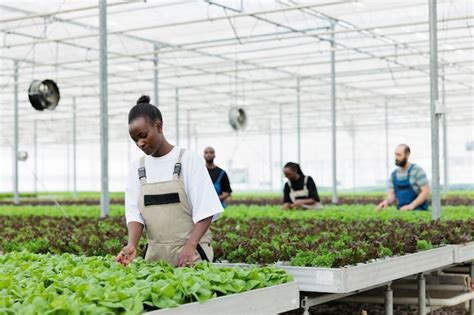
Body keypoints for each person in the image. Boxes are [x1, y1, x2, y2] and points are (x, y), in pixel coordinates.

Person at [116, 95, 223, 268]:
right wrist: (132, 245)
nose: (140, 143)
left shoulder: (188, 160)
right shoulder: (137, 168)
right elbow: (134, 213)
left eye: (143, 136)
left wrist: (191, 245)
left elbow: (206, 210)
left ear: (159, 127)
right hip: (155, 255)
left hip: (191, 254)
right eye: (135, 140)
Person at [376, 144, 429, 211]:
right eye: (395, 154)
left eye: (399, 155)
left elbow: (425, 191)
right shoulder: (394, 175)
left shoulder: (417, 171)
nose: (396, 157)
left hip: (419, 211)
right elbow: (391, 195)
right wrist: (386, 202)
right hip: (402, 211)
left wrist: (411, 206)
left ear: (407, 155)